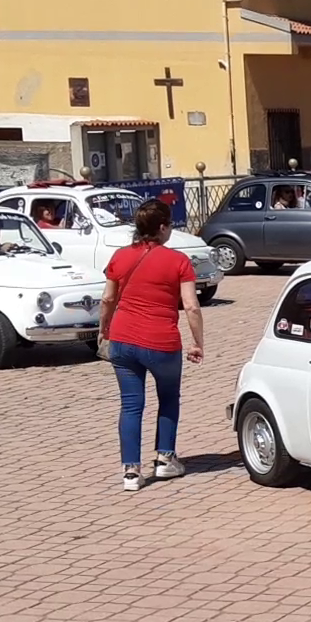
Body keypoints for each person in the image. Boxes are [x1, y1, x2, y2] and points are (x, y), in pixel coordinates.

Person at [97, 200, 204, 492]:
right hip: (161, 342)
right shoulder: (179, 261)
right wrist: (198, 342)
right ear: (162, 227)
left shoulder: (119, 257)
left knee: (131, 404)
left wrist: (104, 329)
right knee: (168, 398)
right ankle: (165, 459)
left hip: (122, 339)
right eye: (170, 225)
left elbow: (107, 299)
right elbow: (191, 306)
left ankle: (131, 471)